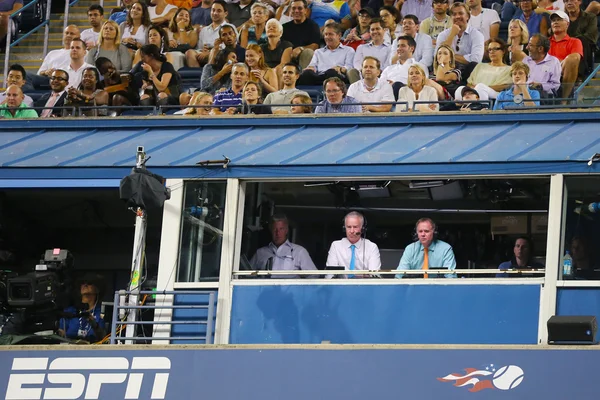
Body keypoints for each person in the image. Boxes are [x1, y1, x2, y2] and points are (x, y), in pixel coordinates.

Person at [250, 213, 317, 277]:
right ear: (270, 230)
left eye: (281, 229)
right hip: (265, 289)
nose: (278, 233)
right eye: (275, 229)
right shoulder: (260, 253)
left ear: (286, 230)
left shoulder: (299, 251)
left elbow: (314, 275)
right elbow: (248, 275)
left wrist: (300, 288)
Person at [326, 211, 381, 278]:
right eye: (349, 227)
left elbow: (374, 276)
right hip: (341, 287)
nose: (352, 231)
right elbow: (330, 276)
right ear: (344, 228)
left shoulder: (372, 247)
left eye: (355, 227)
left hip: (364, 287)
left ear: (362, 229)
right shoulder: (336, 246)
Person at [436, 2, 485, 77]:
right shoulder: (443, 35)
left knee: (473, 66)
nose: (457, 16)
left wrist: (449, 56)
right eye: (454, 14)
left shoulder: (477, 35)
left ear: (468, 16)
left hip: (468, 72)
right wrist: (452, 35)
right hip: (446, 70)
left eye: (461, 13)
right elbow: (437, 57)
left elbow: (475, 60)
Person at [58, 275, 106, 342]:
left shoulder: (102, 312)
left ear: (98, 289)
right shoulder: (70, 311)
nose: (85, 285)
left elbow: (103, 336)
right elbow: (61, 332)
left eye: (89, 283)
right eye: (82, 283)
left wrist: (92, 322)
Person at [548, 10, 583, 100]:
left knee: (572, 58)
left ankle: (564, 99)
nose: (555, 22)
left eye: (559, 19)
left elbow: (574, 59)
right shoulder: (545, 42)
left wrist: (556, 62)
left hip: (563, 72)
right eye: (553, 20)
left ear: (567, 24)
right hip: (546, 71)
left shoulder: (575, 41)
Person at [380, 35, 427, 100]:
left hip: (410, 100)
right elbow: (379, 86)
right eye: (398, 46)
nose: (399, 49)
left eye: (403, 46)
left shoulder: (420, 67)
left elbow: (423, 87)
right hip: (387, 100)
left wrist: (397, 85)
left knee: (397, 85)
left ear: (411, 49)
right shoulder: (388, 69)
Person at [185, 0, 228, 67]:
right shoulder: (204, 30)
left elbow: (229, 48)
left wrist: (210, 52)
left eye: (219, 11)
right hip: (204, 55)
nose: (215, 13)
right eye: (213, 10)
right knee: (189, 53)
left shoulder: (229, 28)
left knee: (214, 53)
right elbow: (199, 48)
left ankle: (207, 74)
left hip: (220, 55)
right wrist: (203, 51)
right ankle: (199, 76)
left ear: (225, 14)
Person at [282, 0, 321, 69]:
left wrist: (301, 48)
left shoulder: (313, 26)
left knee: (308, 52)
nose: (296, 11)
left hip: (303, 57)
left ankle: (304, 77)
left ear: (306, 10)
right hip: (288, 57)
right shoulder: (284, 27)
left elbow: (315, 46)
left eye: (300, 8)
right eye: (293, 8)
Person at [565, 0, 598, 76]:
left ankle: (579, 74)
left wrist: (573, 41)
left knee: (581, 40)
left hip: (584, 47)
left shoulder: (590, 17)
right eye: (566, 1)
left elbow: (591, 36)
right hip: (564, 46)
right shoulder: (561, 19)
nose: (569, 2)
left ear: (580, 1)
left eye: (572, 0)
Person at [523, 34, 562, 98]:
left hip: (543, 96)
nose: (527, 47)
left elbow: (555, 85)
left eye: (530, 45)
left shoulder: (553, 62)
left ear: (540, 49)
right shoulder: (526, 60)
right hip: (524, 93)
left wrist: (541, 86)